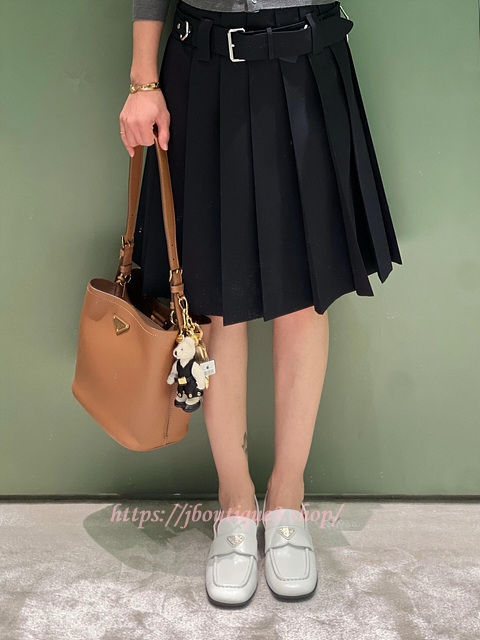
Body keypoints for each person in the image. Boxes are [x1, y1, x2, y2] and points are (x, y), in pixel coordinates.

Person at [119, 0, 402, 608]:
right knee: (214, 299)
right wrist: (143, 79)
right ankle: (235, 504)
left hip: (306, 58)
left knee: (305, 295)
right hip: (203, 62)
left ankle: (287, 501)